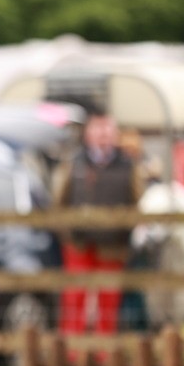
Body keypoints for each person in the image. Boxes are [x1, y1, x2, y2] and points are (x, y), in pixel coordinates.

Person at [53, 112, 145, 335]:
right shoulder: (73, 164)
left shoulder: (129, 166)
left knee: (108, 300)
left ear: (115, 134)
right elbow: (59, 202)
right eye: (97, 128)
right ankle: (72, 351)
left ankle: (105, 353)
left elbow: (139, 202)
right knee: (75, 297)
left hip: (113, 245)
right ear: (88, 134)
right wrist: (67, 233)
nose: (103, 134)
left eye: (107, 129)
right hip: (79, 243)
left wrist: (128, 232)